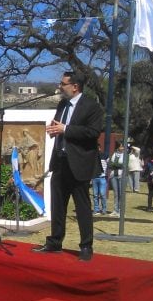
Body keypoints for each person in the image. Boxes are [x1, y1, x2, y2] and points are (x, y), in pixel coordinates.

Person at [33, 71, 103, 262]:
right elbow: (60, 126)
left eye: (63, 84)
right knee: (57, 205)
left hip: (79, 163)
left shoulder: (92, 106)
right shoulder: (62, 104)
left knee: (82, 207)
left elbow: (93, 132)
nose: (60, 87)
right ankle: (55, 241)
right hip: (60, 160)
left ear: (75, 86)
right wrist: (55, 130)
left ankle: (86, 246)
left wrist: (66, 129)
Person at [107, 141, 126, 216]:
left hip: (121, 176)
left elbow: (124, 165)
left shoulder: (125, 155)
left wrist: (115, 165)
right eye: (121, 146)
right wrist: (117, 165)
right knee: (116, 194)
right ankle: (115, 210)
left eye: (123, 147)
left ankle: (121, 211)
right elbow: (109, 165)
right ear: (118, 147)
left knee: (121, 194)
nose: (122, 148)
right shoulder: (113, 154)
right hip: (113, 176)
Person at [92, 144, 107, 215]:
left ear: (100, 148)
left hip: (102, 177)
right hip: (94, 177)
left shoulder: (104, 156)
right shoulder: (93, 157)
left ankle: (104, 209)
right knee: (95, 195)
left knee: (102, 194)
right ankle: (96, 209)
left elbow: (107, 165)